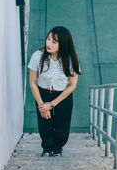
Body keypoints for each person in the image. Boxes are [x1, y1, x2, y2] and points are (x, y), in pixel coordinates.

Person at [28, 26, 81, 157]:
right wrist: (42, 105)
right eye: (48, 39)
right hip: (42, 93)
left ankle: (58, 149)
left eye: (54, 42)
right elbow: (33, 82)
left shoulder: (71, 59)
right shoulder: (38, 55)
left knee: (62, 123)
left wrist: (51, 104)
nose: (48, 44)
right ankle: (47, 148)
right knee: (44, 123)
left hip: (63, 95)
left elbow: (72, 85)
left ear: (62, 44)